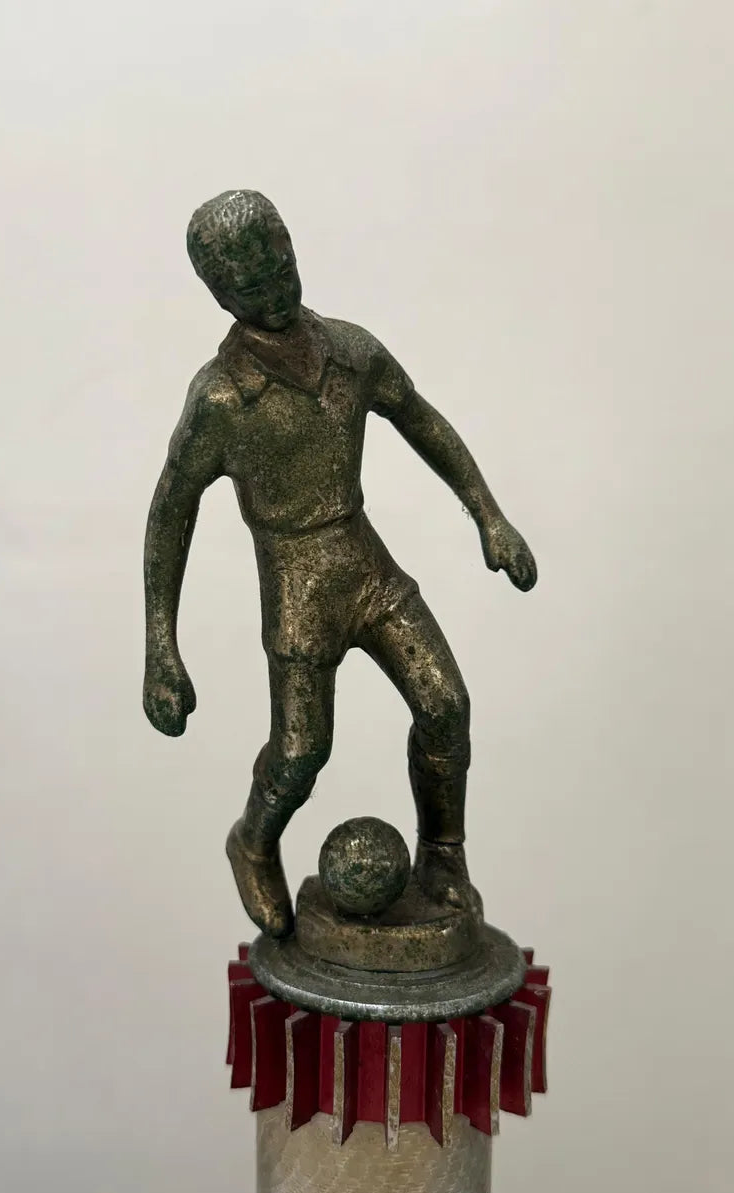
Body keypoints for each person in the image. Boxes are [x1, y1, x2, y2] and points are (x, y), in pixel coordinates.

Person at [143, 190, 537, 938]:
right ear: (221, 296)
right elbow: (170, 512)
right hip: (297, 588)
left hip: (367, 567)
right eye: (253, 286)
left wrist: (489, 516)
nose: (277, 292)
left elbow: (421, 420)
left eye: (283, 268)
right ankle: (252, 840)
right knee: (300, 755)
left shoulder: (351, 354)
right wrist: (161, 647)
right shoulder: (222, 399)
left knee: (446, 706)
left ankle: (443, 855)